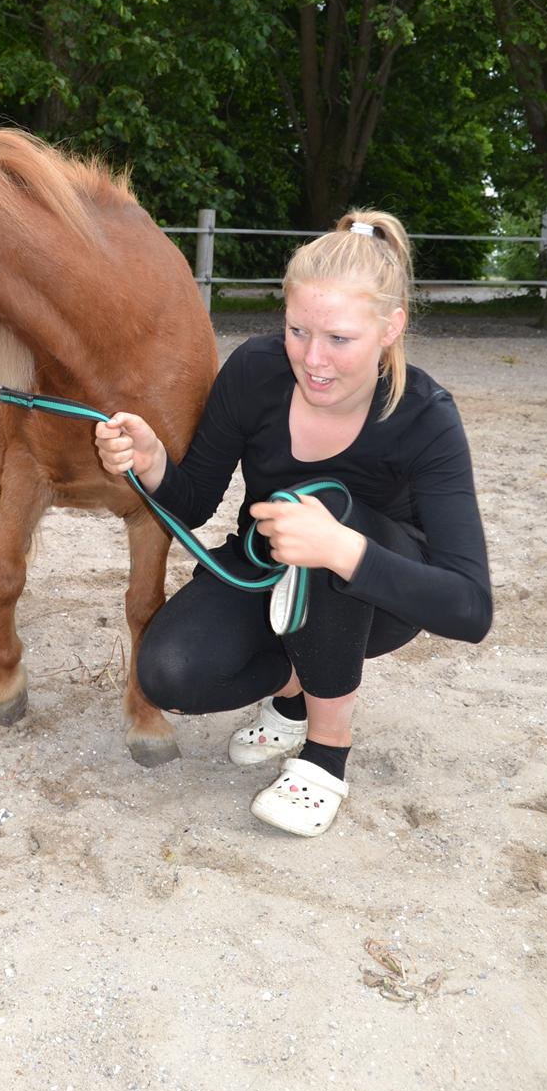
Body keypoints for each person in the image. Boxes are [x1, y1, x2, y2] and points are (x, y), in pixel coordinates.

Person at [94, 211, 492, 837]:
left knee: (324, 513)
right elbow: (194, 502)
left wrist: (343, 550)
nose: (313, 359)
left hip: (379, 598)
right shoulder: (255, 371)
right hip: (270, 569)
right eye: (297, 330)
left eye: (339, 339)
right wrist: (149, 465)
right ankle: (297, 690)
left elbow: (470, 609)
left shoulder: (428, 417)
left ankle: (327, 753)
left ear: (391, 327)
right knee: (167, 674)